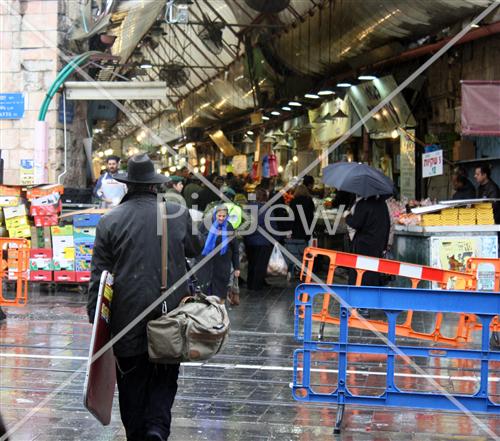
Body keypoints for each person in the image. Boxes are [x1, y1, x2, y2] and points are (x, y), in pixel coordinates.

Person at [87, 154, 201, 441]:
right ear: (154, 186)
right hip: (170, 315)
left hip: (127, 319)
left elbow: (99, 278)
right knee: (164, 378)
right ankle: (157, 430)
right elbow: (193, 249)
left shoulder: (109, 221)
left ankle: (138, 433)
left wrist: (97, 322)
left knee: (132, 384)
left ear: (128, 185)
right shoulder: (177, 215)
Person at [345, 195, 391, 288]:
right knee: (373, 274)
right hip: (378, 244)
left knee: (360, 274)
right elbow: (387, 224)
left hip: (363, 246)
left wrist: (347, 216)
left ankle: (358, 296)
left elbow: (355, 223)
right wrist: (385, 245)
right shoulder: (382, 204)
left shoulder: (363, 204)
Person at [197, 205, 240, 302]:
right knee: (205, 295)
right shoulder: (205, 225)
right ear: (215, 214)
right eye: (219, 216)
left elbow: (235, 249)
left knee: (220, 296)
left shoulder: (229, 227)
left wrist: (236, 267)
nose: (221, 218)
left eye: (223, 216)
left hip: (222, 266)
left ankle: (219, 314)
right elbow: (197, 241)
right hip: (206, 266)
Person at [244, 187, 275, 291]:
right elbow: (272, 225)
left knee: (251, 263)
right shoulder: (267, 209)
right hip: (263, 241)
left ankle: (250, 284)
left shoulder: (247, 208)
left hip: (249, 240)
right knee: (260, 264)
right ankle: (256, 286)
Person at [285, 185, 315, 277]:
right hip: (305, 231)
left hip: (295, 229)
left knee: (293, 251)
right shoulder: (309, 201)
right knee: (304, 252)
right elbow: (311, 217)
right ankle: (303, 271)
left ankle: (293, 270)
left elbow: (290, 217)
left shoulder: (293, 201)